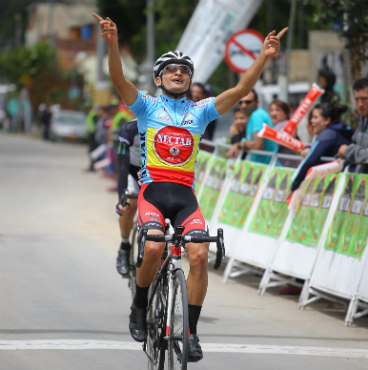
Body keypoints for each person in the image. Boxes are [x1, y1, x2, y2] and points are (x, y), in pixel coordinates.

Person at [93, 12, 287, 362]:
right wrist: (112, 43)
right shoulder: (146, 107)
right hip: (153, 193)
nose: (179, 72)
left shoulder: (200, 111)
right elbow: (118, 78)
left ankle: (192, 332)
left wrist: (264, 57)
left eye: (184, 69)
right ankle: (138, 306)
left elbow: (241, 90)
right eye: (170, 69)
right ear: (158, 78)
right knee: (152, 248)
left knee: (199, 255)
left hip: (184, 196)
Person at [290, 103, 353, 193]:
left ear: (327, 120)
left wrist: (294, 187)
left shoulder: (327, 134)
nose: (312, 121)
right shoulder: (336, 131)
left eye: (315, 118)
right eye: (311, 117)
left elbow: (310, 160)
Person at [115, 119, 141, 277]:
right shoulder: (129, 129)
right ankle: (125, 247)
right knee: (129, 204)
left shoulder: (165, 127)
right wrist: (121, 198)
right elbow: (123, 167)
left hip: (153, 172)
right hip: (132, 170)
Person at [226, 89, 278, 163]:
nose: (244, 105)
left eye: (248, 102)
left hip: (266, 168)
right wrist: (238, 144)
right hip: (263, 167)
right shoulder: (255, 115)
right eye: (240, 102)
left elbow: (257, 145)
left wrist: (242, 142)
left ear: (257, 102)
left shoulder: (256, 116)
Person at [338, 77, 368, 174]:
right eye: (357, 99)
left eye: (364, 99)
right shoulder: (363, 120)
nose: (360, 104)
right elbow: (355, 144)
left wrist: (347, 152)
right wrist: (341, 158)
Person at [269, 99, 300, 168]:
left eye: (278, 110)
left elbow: (275, 144)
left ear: (286, 113)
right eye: (271, 110)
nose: (273, 113)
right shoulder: (272, 126)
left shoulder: (288, 125)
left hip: (289, 168)